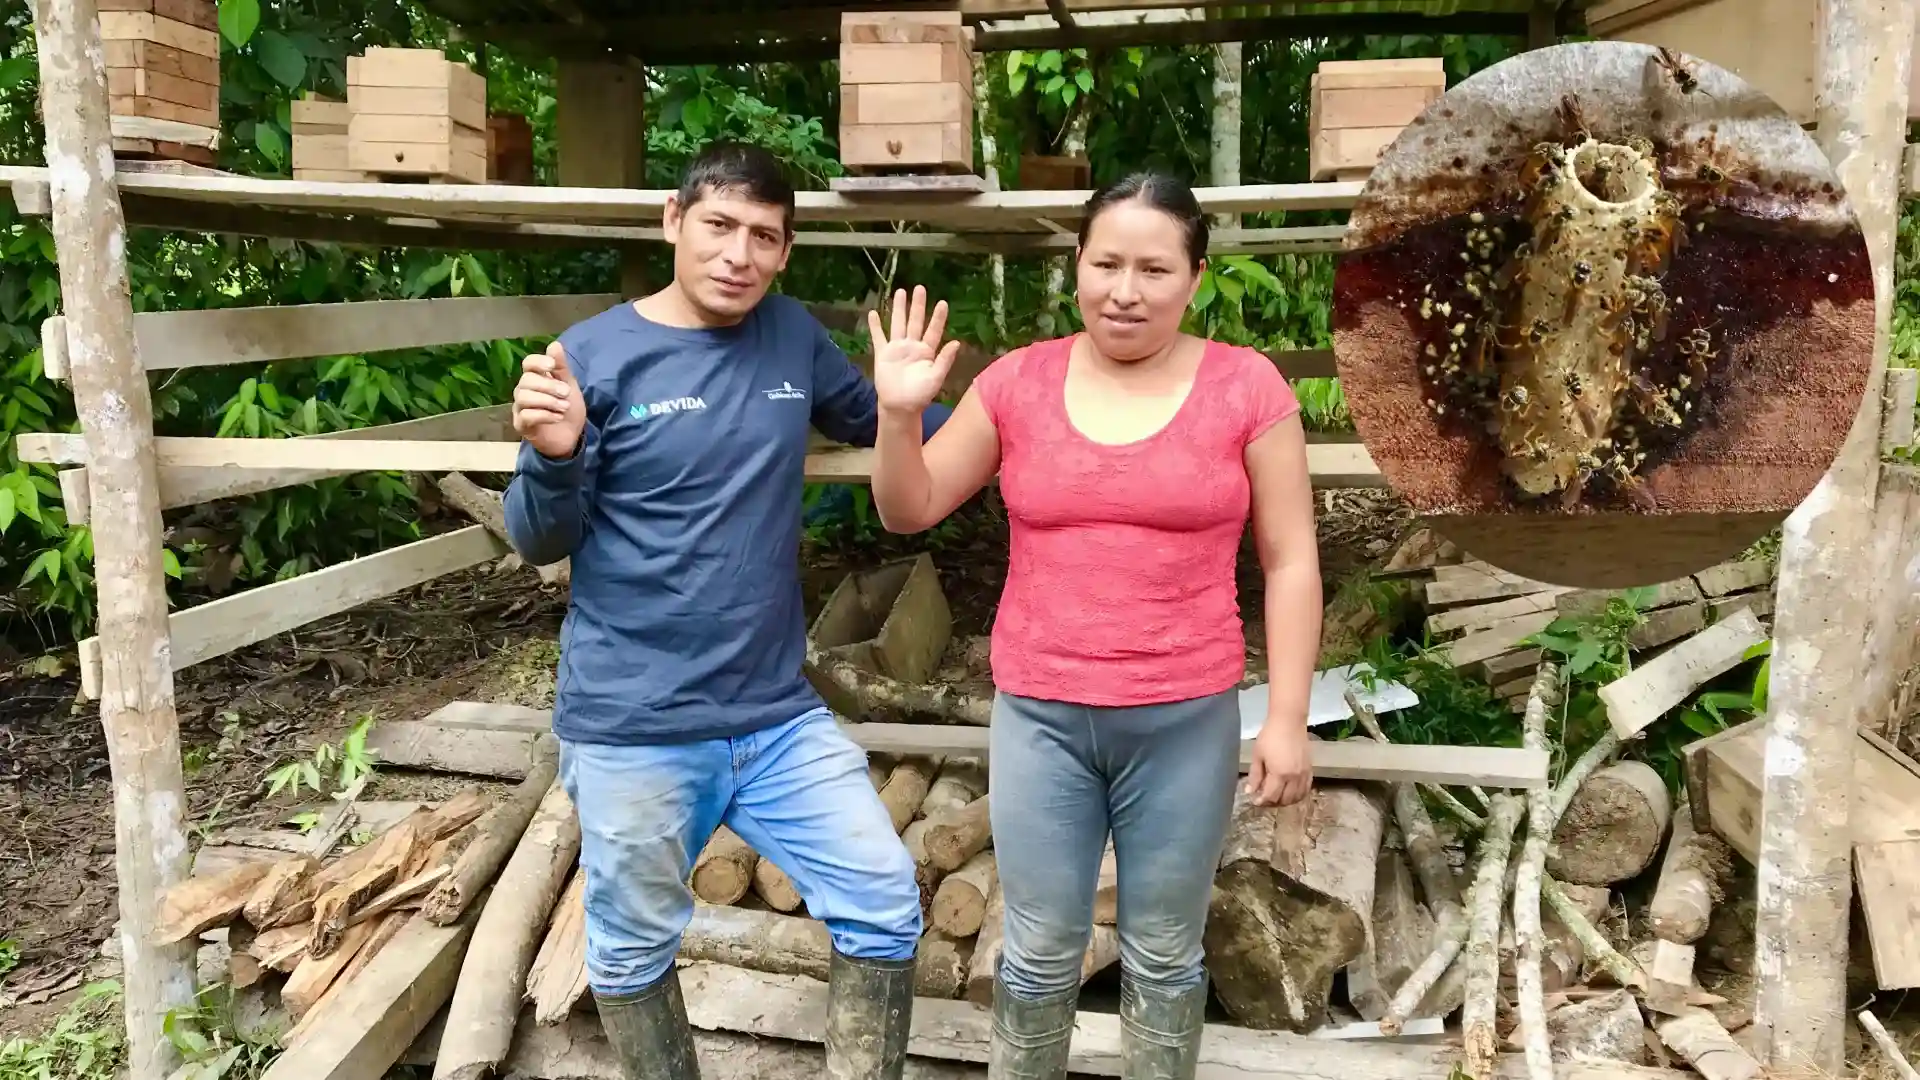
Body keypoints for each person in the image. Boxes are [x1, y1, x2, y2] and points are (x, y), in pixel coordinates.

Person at [502, 140, 957, 1080]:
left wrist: (1017, 423)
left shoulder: (790, 336)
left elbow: (886, 425)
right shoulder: (592, 356)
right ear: (673, 222)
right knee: (630, 950)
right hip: (636, 721)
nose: (738, 254)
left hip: (775, 716)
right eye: (718, 226)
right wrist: (552, 457)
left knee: (881, 902)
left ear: (786, 251)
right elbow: (538, 540)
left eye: (764, 236)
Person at [866, 172, 1323, 1080]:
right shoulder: (1016, 383)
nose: (1125, 289)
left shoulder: (1248, 387)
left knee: (1162, 950)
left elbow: (1292, 559)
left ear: (1194, 278)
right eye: (1105, 261)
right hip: (1041, 714)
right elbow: (907, 508)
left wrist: (1286, 716)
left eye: (1154, 268)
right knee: (1038, 950)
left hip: (1184, 716)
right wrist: (898, 412)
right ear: (1076, 264)